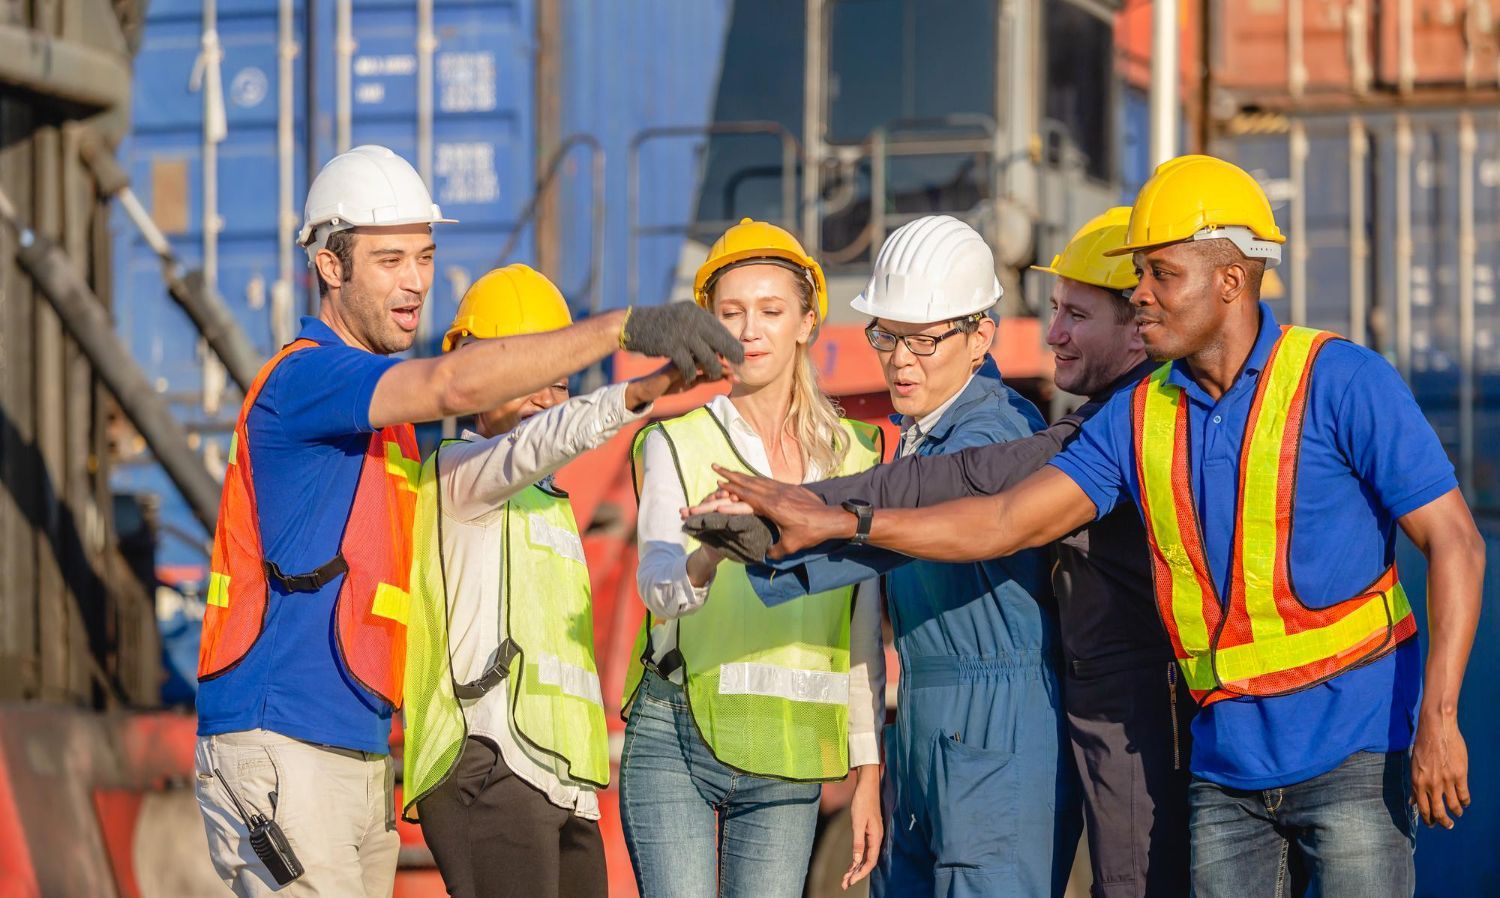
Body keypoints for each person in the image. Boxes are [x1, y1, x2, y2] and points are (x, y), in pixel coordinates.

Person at [699, 156, 1484, 898]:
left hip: (1351, 749)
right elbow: (1001, 515)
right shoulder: (1140, 416)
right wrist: (842, 515)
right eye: (1137, 275)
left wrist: (1439, 720)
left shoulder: (1341, 380)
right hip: (1228, 767)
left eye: (1160, 275)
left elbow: (1455, 541)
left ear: (1231, 282)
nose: (1141, 293)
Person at [192, 145, 742, 898]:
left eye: (424, 256)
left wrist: (643, 389)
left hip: (349, 748)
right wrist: (624, 328)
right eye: (389, 260)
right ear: (329, 266)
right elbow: (453, 384)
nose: (416, 281)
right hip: (282, 736)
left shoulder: (378, 418)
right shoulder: (309, 377)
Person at [690, 207, 1192, 897]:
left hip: (1000, 721)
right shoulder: (919, 434)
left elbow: (931, 508)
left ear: (980, 336)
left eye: (922, 341)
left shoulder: (994, 430)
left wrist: (795, 528)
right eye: (885, 336)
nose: (899, 360)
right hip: (927, 719)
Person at [400, 264, 703, 898]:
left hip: (558, 778)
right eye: (528, 380)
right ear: (474, 377)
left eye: (557, 384)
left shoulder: (548, 500)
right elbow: (536, 443)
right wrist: (645, 388)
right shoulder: (461, 474)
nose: (546, 399)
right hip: (487, 764)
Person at [620, 219, 886, 898]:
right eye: (732, 314)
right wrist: (708, 558)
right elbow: (656, 586)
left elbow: (861, 630)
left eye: (772, 311)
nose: (752, 330)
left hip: (790, 745)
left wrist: (868, 774)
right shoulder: (674, 441)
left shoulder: (856, 456)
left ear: (807, 321)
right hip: (676, 731)